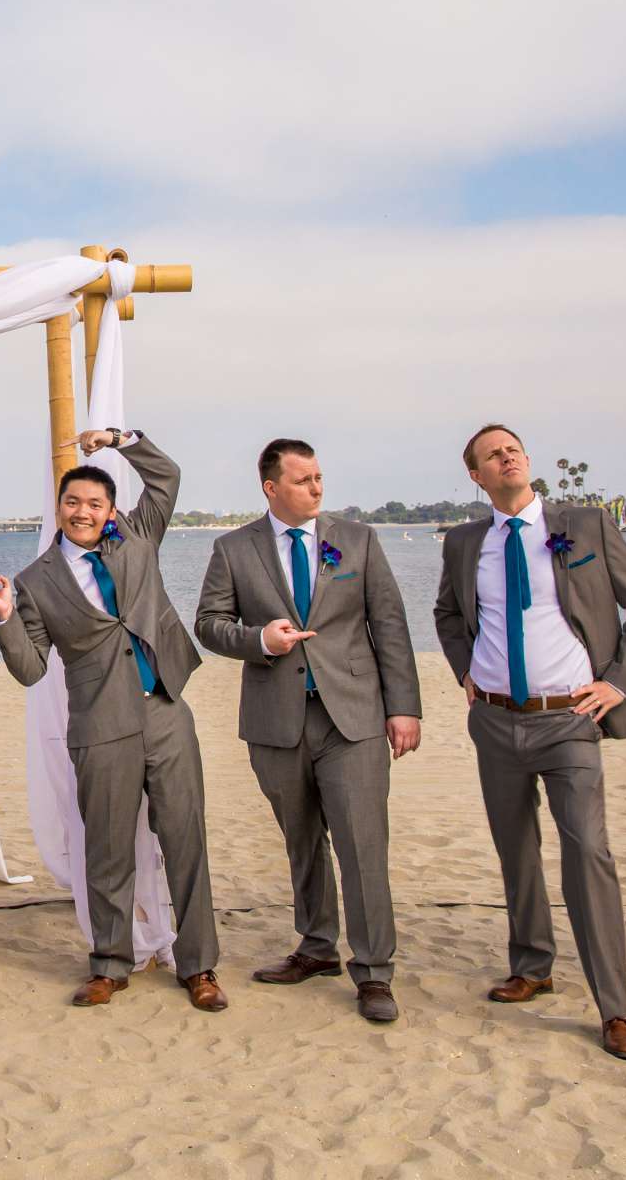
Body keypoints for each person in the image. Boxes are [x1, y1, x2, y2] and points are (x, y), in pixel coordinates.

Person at [433, 424, 626, 1061]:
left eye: (514, 449)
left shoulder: (583, 526)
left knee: (588, 852)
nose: (507, 457)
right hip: (496, 721)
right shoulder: (464, 541)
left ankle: (615, 1009)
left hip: (570, 720)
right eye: (492, 455)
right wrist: (465, 671)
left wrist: (619, 683)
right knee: (516, 849)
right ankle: (532, 964)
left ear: (526, 461)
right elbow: (448, 614)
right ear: (476, 475)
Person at [0, 430, 225, 1012]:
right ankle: (110, 964)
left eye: (95, 504)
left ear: (111, 511)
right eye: (73, 503)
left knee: (185, 840)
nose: (83, 512)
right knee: (107, 851)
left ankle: (199, 965)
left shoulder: (137, 537)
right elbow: (29, 669)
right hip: (98, 727)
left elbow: (166, 477)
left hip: (164, 710)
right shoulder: (36, 581)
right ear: (58, 510)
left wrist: (120, 439)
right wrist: (7, 616)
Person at [195, 437, 419, 1024]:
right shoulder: (232, 548)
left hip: (354, 718)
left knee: (363, 846)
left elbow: (389, 626)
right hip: (275, 721)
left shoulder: (357, 540)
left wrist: (405, 709)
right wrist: (258, 641)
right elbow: (208, 625)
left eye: (319, 478)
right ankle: (316, 947)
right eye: (303, 480)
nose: (316, 488)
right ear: (271, 488)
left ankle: (373, 972)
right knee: (302, 842)